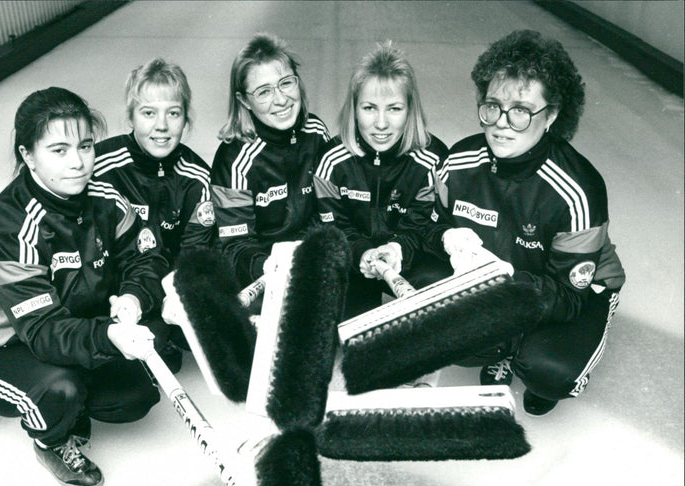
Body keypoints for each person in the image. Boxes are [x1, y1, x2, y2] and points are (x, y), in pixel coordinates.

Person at [0, 87, 171, 486]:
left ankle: (70, 400)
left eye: (85, 145)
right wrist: (107, 335)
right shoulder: (11, 227)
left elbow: (146, 256)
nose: (79, 163)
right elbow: (44, 331)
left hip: (65, 325)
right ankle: (51, 441)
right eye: (59, 150)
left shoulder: (103, 195)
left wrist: (134, 295)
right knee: (60, 388)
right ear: (28, 156)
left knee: (135, 394)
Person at [422, 30, 626, 415]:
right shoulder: (459, 162)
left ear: (550, 115)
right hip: (508, 277)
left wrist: (503, 281)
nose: (501, 123)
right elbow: (429, 227)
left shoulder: (577, 189)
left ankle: (528, 357)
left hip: (576, 291)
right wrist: (445, 236)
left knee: (548, 370)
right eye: (492, 106)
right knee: (427, 292)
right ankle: (505, 345)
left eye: (521, 110)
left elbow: (568, 297)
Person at [312, 41, 448, 319]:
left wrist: (397, 249)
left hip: (408, 257)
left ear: (410, 109)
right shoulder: (331, 160)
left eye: (394, 109)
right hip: (355, 259)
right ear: (354, 109)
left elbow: (424, 227)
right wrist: (360, 252)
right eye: (370, 108)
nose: (382, 123)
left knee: (441, 290)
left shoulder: (433, 160)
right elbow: (334, 226)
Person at [94, 58, 215, 358]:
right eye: (148, 113)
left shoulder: (196, 178)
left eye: (173, 113)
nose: (161, 126)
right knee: (153, 342)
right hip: (115, 291)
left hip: (166, 289)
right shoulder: (100, 166)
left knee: (201, 332)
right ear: (130, 117)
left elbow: (195, 253)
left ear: (186, 119)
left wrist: (179, 292)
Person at [211, 33, 330, 289]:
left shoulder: (316, 132)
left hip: (309, 262)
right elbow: (235, 245)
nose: (281, 99)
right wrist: (269, 268)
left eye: (286, 83)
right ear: (244, 101)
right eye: (264, 91)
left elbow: (328, 213)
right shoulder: (234, 160)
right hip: (260, 272)